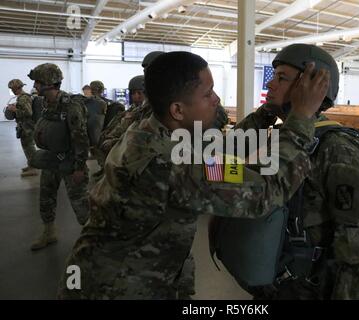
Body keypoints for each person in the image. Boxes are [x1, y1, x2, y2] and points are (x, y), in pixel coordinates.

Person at [57, 51, 330, 299]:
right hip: (117, 287)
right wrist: (302, 117)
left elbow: (223, 152)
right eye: (208, 93)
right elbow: (268, 192)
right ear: (178, 109)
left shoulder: (158, 131)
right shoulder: (168, 164)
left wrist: (265, 115)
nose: (217, 100)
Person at [237, 44, 359, 300]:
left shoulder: (337, 149)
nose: (270, 85)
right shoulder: (286, 138)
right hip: (279, 281)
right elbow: (229, 155)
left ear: (313, 86)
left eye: (281, 78)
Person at [27, 63, 90, 251]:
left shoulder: (71, 106)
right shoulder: (45, 103)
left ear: (48, 83)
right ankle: (49, 232)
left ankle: (93, 241)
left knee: (81, 205)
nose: (35, 86)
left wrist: (79, 167)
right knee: (46, 198)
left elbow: (81, 138)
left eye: (38, 82)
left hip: (71, 162)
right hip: (51, 159)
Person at [5, 79, 38, 177]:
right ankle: (31, 165)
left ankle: (33, 168)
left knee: (29, 147)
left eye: (12, 89)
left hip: (27, 127)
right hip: (24, 126)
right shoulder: (22, 97)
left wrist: (14, 109)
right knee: (27, 147)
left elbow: (29, 113)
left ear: (16, 88)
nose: (12, 90)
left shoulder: (23, 98)